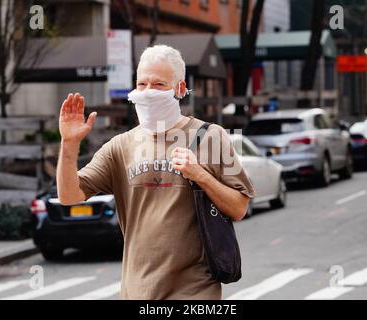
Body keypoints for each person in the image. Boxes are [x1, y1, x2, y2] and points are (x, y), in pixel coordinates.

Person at [57, 45, 255, 300]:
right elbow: (69, 196)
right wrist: (69, 144)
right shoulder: (120, 146)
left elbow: (239, 208)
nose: (148, 93)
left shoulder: (210, 136)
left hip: (194, 291)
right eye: (142, 84)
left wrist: (200, 175)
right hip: (137, 291)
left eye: (159, 85)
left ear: (180, 89)